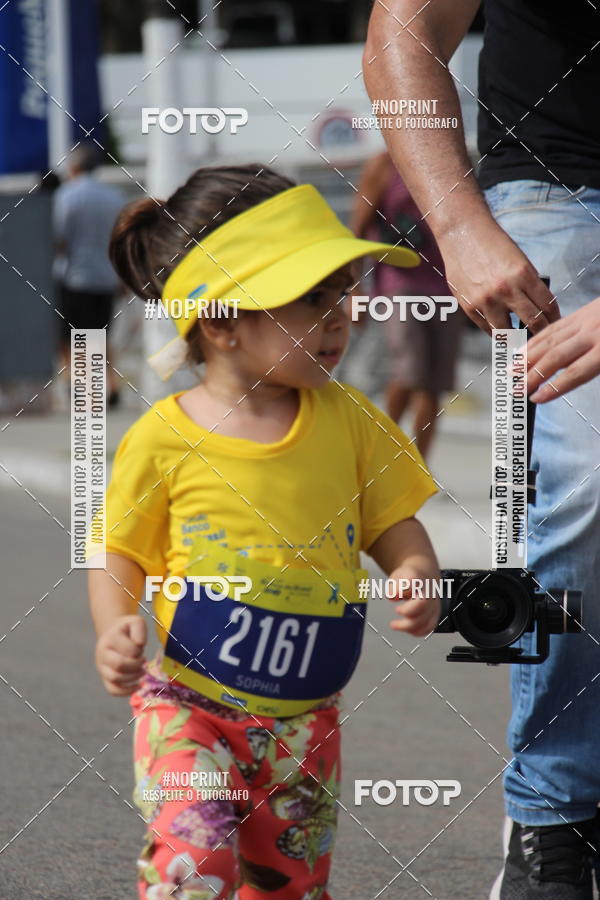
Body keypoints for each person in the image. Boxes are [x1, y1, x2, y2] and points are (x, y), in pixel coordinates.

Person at [87, 165, 442, 900]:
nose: (341, 314)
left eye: (342, 291)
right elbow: (119, 550)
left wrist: (414, 571)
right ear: (220, 321)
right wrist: (114, 627)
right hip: (190, 708)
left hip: (305, 726)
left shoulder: (351, 422)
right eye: (312, 299)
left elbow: (393, 524)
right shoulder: (162, 439)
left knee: (288, 886)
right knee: (196, 867)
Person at [364, 2, 600, 897]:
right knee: (589, 479)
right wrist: (457, 228)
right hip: (559, 195)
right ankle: (555, 809)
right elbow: (403, 38)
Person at [351, 151, 463, 458]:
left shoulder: (447, 160)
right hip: (400, 285)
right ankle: (382, 454)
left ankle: (419, 467)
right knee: (408, 373)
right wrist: (355, 291)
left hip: (445, 286)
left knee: (434, 384)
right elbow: (358, 231)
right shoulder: (383, 165)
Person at [53, 142, 124, 405]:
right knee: (101, 335)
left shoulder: (67, 196)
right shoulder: (114, 197)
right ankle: (111, 386)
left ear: (73, 167)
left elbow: (59, 238)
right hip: (106, 277)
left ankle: (79, 385)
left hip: (75, 276)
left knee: (73, 336)